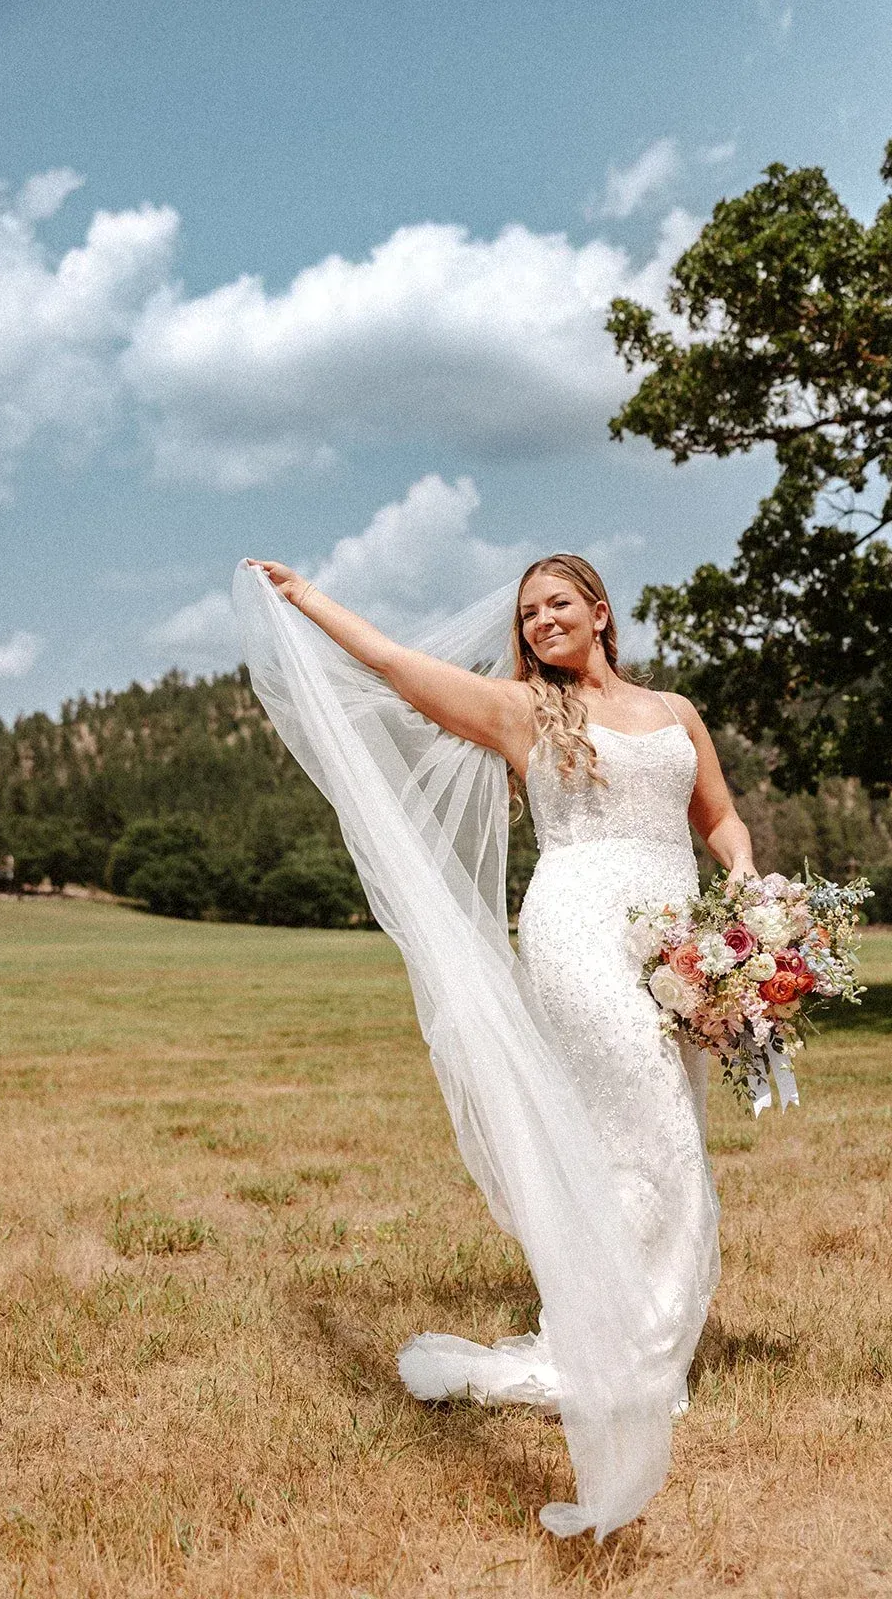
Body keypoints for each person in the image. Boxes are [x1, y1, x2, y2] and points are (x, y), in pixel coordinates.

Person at [232, 552, 757, 1540]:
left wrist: (748, 892)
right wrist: (306, 599)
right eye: (527, 613)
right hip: (574, 930)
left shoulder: (675, 712)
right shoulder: (524, 713)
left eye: (558, 603)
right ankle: (629, 1356)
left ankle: (637, 1343)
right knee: (648, 1119)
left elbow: (720, 819)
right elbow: (393, 665)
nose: (541, 620)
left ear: (600, 612)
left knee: (658, 1134)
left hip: (677, 939)